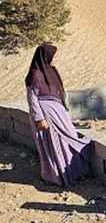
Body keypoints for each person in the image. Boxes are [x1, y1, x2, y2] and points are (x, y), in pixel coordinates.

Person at [25, 43, 91, 186]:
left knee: (70, 137)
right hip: (46, 114)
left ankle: (75, 171)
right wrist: (39, 118)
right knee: (53, 144)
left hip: (59, 111)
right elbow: (32, 98)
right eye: (52, 55)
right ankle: (57, 176)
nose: (54, 58)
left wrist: (64, 108)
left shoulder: (52, 71)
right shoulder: (35, 74)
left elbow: (60, 90)